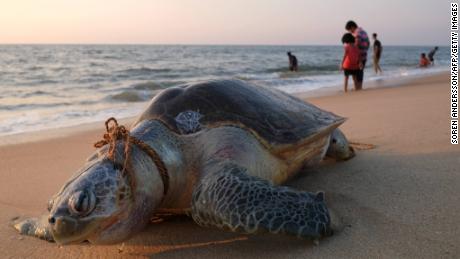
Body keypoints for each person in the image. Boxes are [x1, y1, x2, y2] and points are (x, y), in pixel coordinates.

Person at [345, 20, 369, 90]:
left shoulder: (357, 33)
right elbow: (368, 43)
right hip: (364, 54)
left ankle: (358, 88)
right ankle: (359, 87)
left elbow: (356, 46)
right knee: (360, 72)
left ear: (352, 27)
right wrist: (365, 50)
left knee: (356, 72)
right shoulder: (364, 32)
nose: (350, 32)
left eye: (349, 30)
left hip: (358, 56)